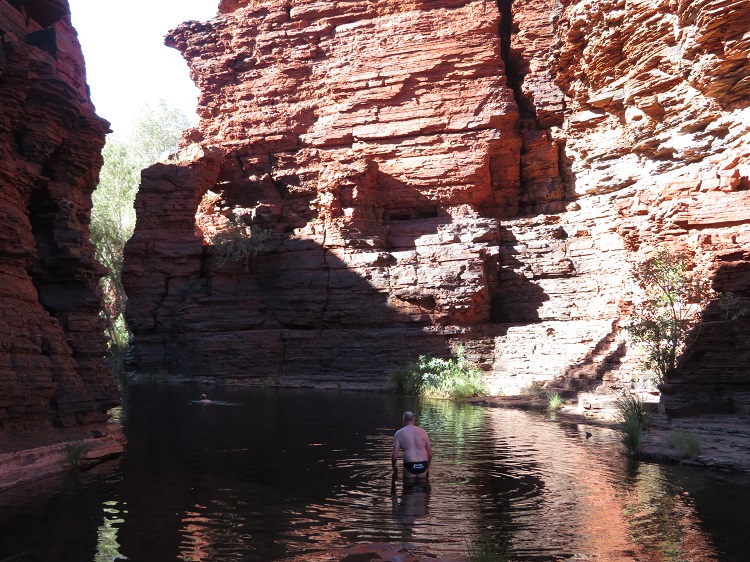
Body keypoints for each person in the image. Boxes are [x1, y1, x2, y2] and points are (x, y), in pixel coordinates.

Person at [392, 411, 432, 478]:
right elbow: (430, 454)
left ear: (404, 421)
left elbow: (394, 456)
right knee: (423, 486)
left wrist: (394, 468)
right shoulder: (423, 432)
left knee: (408, 487)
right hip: (423, 465)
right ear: (414, 420)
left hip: (410, 465)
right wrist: (427, 469)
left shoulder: (399, 433)